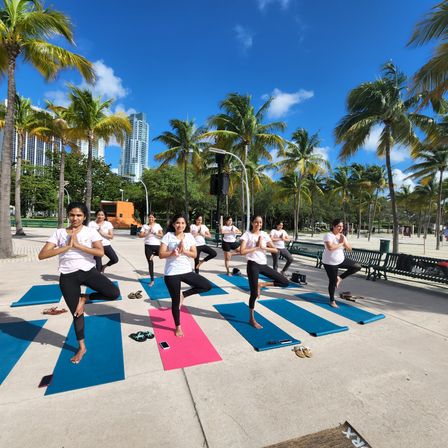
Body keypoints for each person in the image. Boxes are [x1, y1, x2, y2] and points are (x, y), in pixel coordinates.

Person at [38, 202, 120, 364]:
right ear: (68, 215)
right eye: (72, 215)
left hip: (88, 272)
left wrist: (79, 246)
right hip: (68, 276)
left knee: (113, 293)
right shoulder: (60, 233)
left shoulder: (90, 232)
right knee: (77, 313)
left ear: (84, 217)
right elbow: (42, 255)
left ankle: (84, 298)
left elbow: (100, 252)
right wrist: (67, 247)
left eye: (79, 215)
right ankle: (82, 347)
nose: (75, 218)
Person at [159, 214, 212, 337]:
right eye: (178, 223)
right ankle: (177, 326)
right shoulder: (168, 236)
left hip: (186, 271)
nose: (180, 225)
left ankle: (184, 294)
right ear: (173, 224)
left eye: (183, 223)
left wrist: (184, 251)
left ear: (186, 225)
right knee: (175, 301)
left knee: (206, 286)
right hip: (171, 273)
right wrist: (173, 252)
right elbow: (161, 254)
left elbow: (194, 254)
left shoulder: (188, 236)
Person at [240, 215, 289, 329]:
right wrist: (256, 248)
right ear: (252, 223)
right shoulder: (247, 235)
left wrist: (263, 247)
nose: (258, 225)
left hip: (263, 265)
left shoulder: (264, 234)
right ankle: (251, 318)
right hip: (252, 265)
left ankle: (261, 284)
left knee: (284, 282)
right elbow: (242, 251)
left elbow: (275, 250)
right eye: (256, 222)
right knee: (253, 294)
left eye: (260, 223)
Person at [322, 219, 361, 308]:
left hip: (341, 259)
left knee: (357, 266)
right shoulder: (328, 235)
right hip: (330, 262)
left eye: (342, 226)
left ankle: (339, 277)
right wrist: (341, 243)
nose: (341, 228)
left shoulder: (342, 236)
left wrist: (344, 243)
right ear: (334, 226)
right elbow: (330, 248)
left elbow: (349, 249)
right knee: (332, 282)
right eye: (339, 226)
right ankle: (332, 300)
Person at [88, 209, 118, 273]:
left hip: (106, 245)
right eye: (98, 215)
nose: (100, 216)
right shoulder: (91, 224)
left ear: (105, 216)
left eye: (102, 215)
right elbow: (88, 235)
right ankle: (98, 278)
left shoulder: (108, 224)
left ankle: (104, 266)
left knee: (115, 259)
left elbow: (111, 236)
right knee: (98, 267)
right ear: (96, 215)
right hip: (96, 246)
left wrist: (102, 233)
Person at [138, 213, 164, 286]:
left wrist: (155, 233)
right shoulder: (145, 226)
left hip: (156, 245)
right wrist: (147, 233)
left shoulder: (157, 225)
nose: (151, 219)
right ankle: (152, 280)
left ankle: (154, 254)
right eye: (149, 217)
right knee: (150, 262)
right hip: (148, 246)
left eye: (152, 217)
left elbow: (161, 235)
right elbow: (140, 235)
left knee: (162, 255)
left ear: (155, 218)